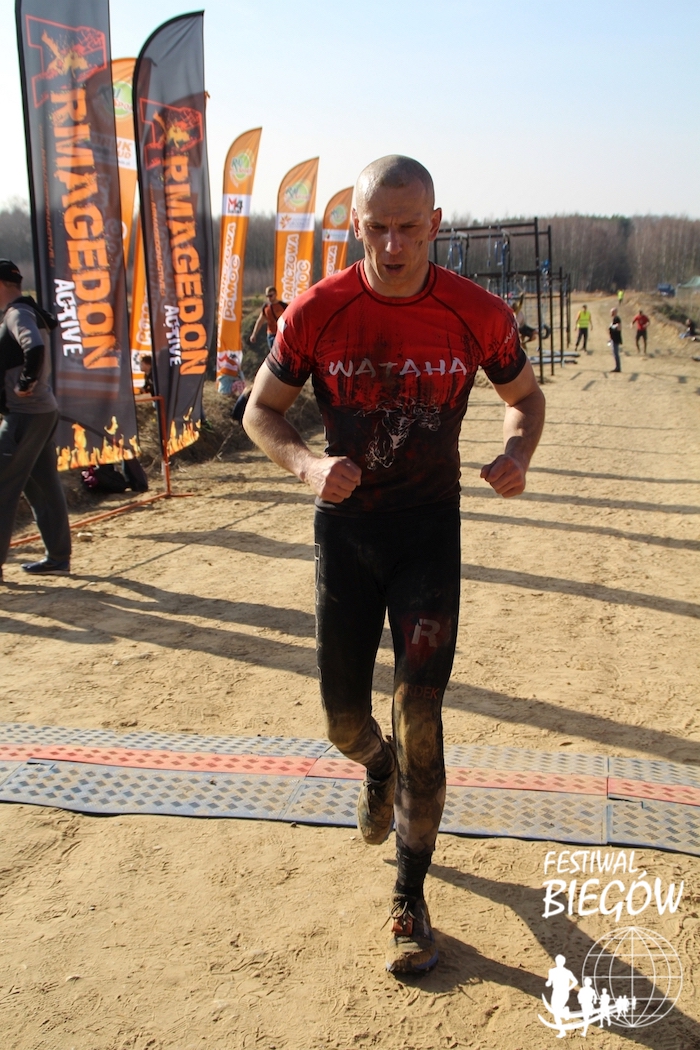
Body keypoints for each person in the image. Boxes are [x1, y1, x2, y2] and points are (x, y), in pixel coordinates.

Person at [243, 156, 545, 974]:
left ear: (435, 224)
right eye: (376, 227)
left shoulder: (477, 312)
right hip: (345, 535)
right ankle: (375, 768)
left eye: (409, 227)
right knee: (345, 722)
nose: (392, 244)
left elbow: (525, 397)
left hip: (427, 536)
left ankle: (410, 898)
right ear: (356, 225)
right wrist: (307, 464)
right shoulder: (318, 310)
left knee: (420, 712)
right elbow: (260, 410)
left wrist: (517, 452)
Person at [0, 259, 71, 581]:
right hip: (41, 412)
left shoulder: (17, 313)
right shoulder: (25, 310)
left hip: (25, 415)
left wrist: (25, 383)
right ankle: (57, 557)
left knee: (4, 486)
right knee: (43, 485)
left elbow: (34, 346)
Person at [249, 286, 288, 350]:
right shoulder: (266, 307)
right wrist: (254, 334)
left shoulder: (283, 306)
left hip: (281, 333)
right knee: (273, 352)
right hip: (270, 334)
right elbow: (260, 321)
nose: (269, 298)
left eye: (270, 296)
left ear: (275, 294)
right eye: (267, 296)